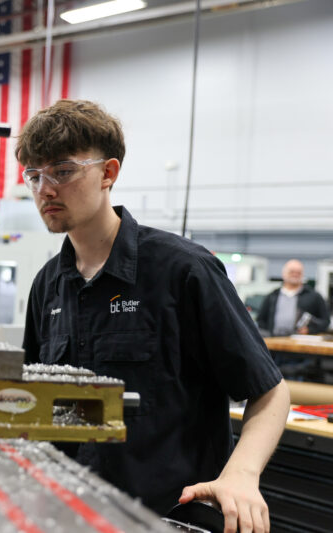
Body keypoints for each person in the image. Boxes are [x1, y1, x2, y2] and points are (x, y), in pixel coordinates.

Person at [18, 100, 289, 533]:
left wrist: (241, 474)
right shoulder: (47, 285)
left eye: (63, 171)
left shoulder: (183, 271)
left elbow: (271, 393)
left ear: (108, 173)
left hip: (168, 517)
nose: (45, 190)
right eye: (34, 175)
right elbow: (36, 403)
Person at [257, 259, 330, 336]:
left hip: (300, 344)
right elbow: (261, 320)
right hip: (274, 342)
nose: (295, 274)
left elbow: (325, 321)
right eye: (291, 272)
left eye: (298, 272)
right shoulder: (272, 296)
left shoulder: (314, 297)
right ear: (283, 274)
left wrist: (310, 330)